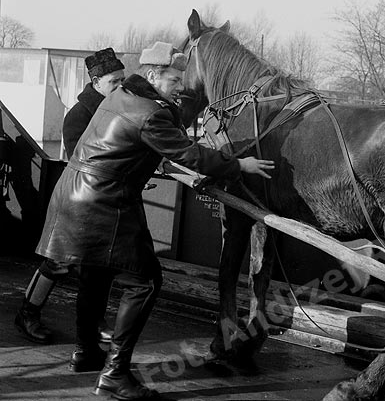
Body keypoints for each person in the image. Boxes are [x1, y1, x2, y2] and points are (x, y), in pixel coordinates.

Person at [35, 41, 274, 400]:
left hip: (76, 194)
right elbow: (187, 151)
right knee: (145, 282)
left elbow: (143, 146)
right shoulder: (150, 111)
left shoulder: (121, 96)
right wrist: (239, 165)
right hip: (104, 203)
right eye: (175, 78)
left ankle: (86, 353)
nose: (182, 85)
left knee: (96, 274)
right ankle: (115, 375)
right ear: (152, 75)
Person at [15, 48, 126, 361]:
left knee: (100, 266)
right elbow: (86, 160)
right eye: (114, 81)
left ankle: (96, 322)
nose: (120, 85)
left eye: (122, 79)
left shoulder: (116, 108)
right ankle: (27, 314)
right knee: (57, 263)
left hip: (103, 201)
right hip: (77, 199)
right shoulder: (79, 116)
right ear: (96, 82)